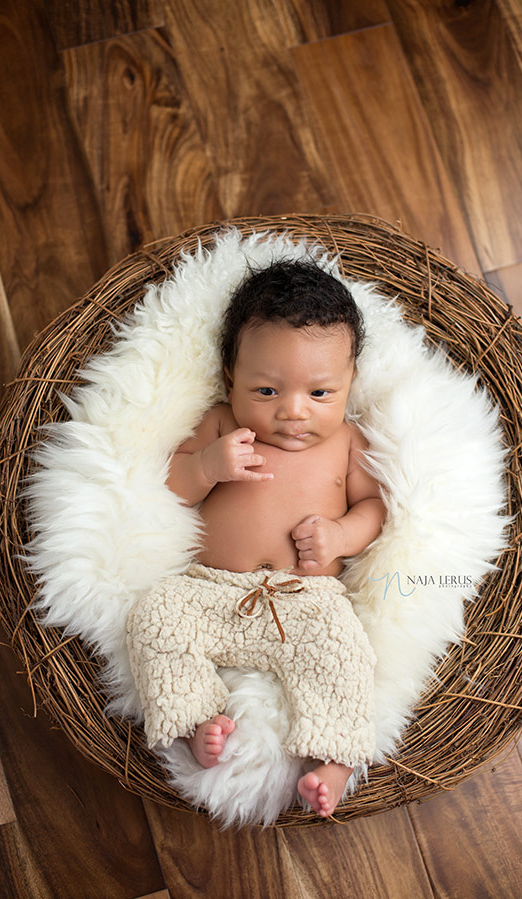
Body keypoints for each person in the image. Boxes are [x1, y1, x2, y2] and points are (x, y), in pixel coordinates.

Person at [126, 260, 386, 818]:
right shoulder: (222, 424)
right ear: (230, 379)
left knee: (344, 652)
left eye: (320, 392)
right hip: (212, 591)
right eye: (266, 390)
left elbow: (373, 509)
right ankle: (195, 719)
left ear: (350, 383)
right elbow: (170, 487)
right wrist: (207, 466)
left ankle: (334, 760)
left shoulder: (347, 441)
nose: (293, 411)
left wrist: (341, 535)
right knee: (156, 615)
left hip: (306, 602)